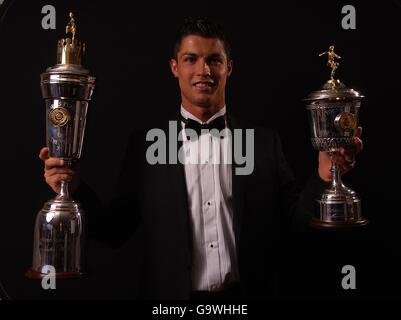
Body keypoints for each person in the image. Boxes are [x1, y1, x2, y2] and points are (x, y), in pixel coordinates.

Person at [39, 17, 363, 299]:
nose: (203, 71)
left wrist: (323, 175)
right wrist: (75, 188)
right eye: (191, 59)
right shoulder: (147, 146)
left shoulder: (263, 142)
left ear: (229, 67)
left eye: (214, 60)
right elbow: (115, 230)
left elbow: (295, 224)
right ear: (175, 67)